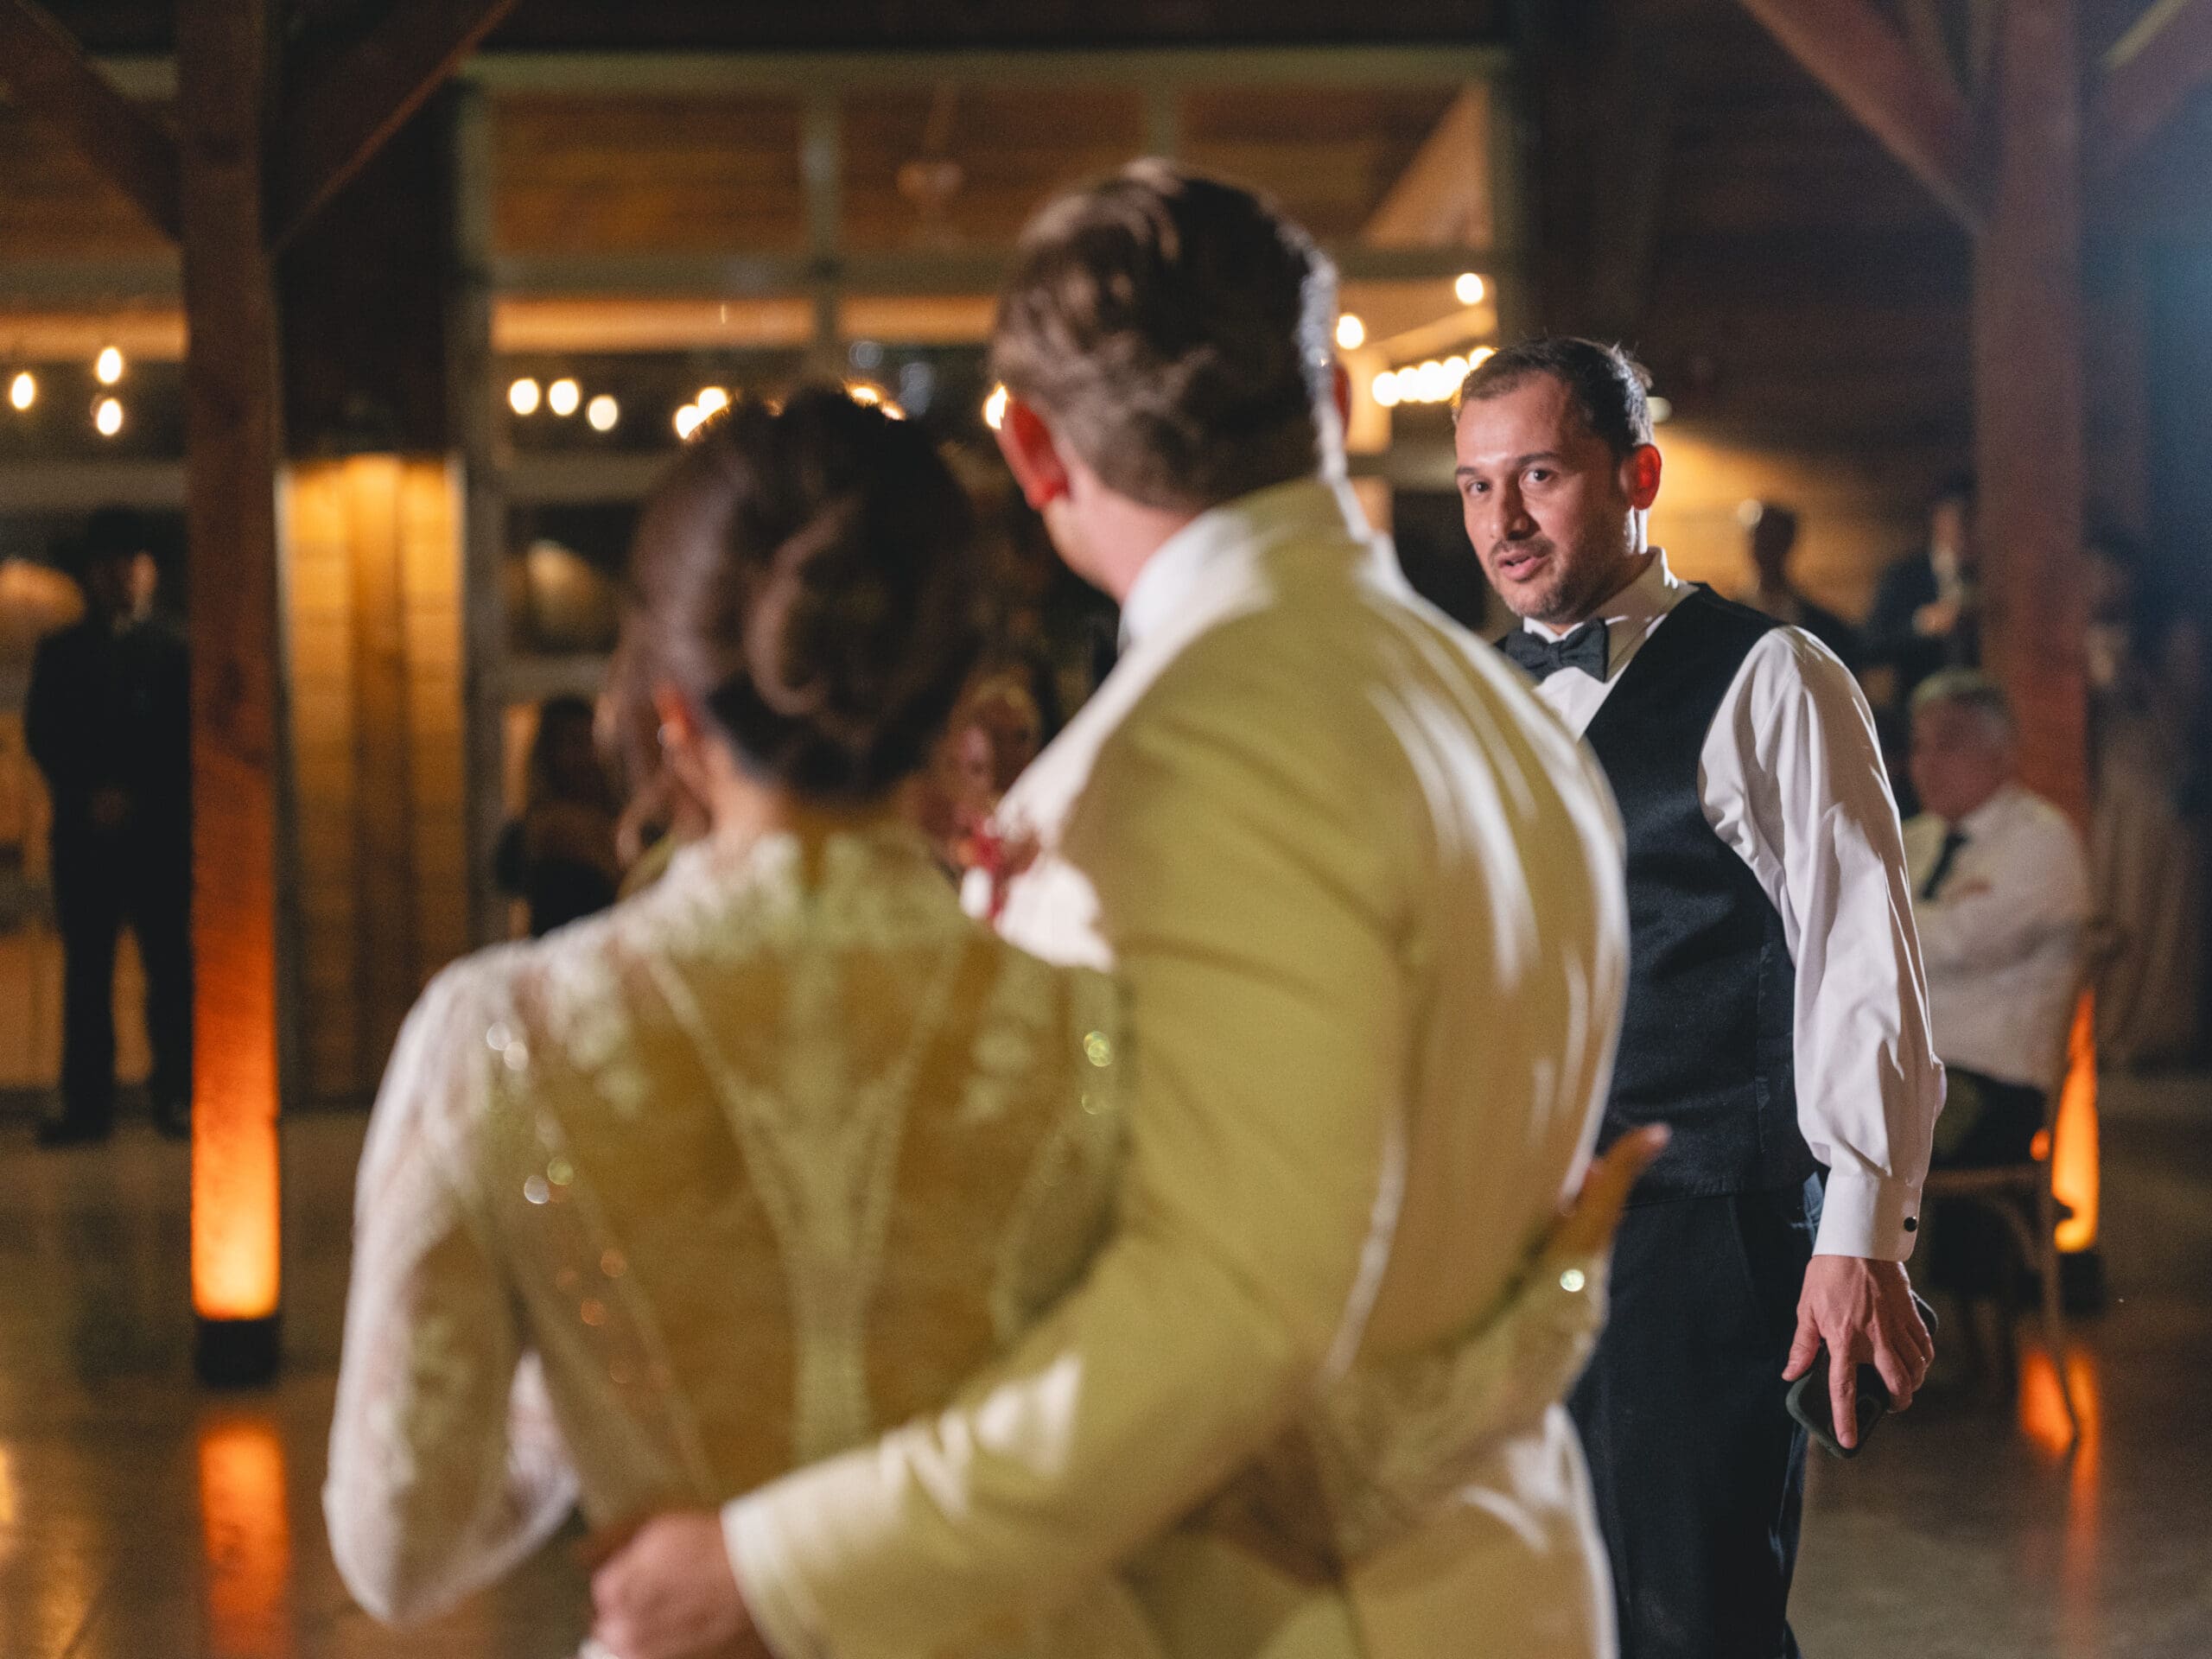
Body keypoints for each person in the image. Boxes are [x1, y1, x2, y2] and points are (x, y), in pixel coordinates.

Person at [590, 163, 1643, 1659]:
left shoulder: (1183, 764)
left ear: (1031, 449)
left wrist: (778, 1561)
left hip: (1280, 1619)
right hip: (1508, 1583)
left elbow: (1230, 1316)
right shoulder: (1509, 720)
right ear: (1332, 406)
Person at [327, 390, 1137, 1636]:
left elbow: (400, 1542)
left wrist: (585, 1379)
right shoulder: (1091, 1039)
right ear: (950, 709)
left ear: (670, 712)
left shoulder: (500, 1037)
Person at [1460, 338, 1943, 1659]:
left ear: (1638, 476)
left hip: (1697, 1231)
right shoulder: (1471, 701)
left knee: (1691, 1620)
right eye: (1475, 485)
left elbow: (1863, 969)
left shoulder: (1774, 679)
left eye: (1540, 476)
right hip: (1507, 1244)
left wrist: (1860, 1237)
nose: (1501, 521)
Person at [1905, 672, 2088, 1318]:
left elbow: (1943, 945)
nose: (1926, 763)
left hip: (1992, 1088)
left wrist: (1884, 923)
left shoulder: (2041, 838)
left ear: (2002, 751)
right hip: (1918, 1072)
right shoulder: (1917, 837)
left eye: (1948, 744)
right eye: (1920, 745)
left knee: (1830, 1142)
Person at [25, 506, 192, 1145]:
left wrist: (135, 795)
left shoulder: (173, 650)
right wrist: (90, 790)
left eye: (133, 565)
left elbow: (181, 740)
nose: (124, 577)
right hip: (88, 837)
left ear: (148, 574)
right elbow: (46, 733)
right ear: (95, 576)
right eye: (113, 566)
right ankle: (88, 1103)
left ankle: (176, 1092)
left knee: (168, 970)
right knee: (88, 976)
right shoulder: (64, 652)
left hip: (155, 838)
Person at [2082, 531, 2205, 1066]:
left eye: (2107, 571)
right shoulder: (2083, 633)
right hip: (2111, 793)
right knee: (2114, 912)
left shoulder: (2174, 635)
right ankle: (2109, 1031)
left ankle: (2153, 1034)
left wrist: (2136, 678)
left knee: (2160, 918)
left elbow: (2189, 719)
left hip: (2160, 793)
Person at [495, 693, 625, 935]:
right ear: (549, 754)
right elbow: (505, 877)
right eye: (575, 743)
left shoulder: (622, 817)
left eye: (592, 741)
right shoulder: (532, 829)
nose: (588, 756)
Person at [1863, 472, 1980, 703]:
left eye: (1976, 517)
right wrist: (1922, 625)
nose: (1969, 527)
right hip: (1919, 708)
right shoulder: (1905, 577)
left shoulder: (1999, 577)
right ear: (1937, 517)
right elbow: (1870, 644)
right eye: (1960, 516)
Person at [1742, 501, 1858, 670]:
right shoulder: (1722, 627)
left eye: (1774, 537)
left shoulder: (1828, 629)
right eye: (1761, 537)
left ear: (1788, 542)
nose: (1767, 546)